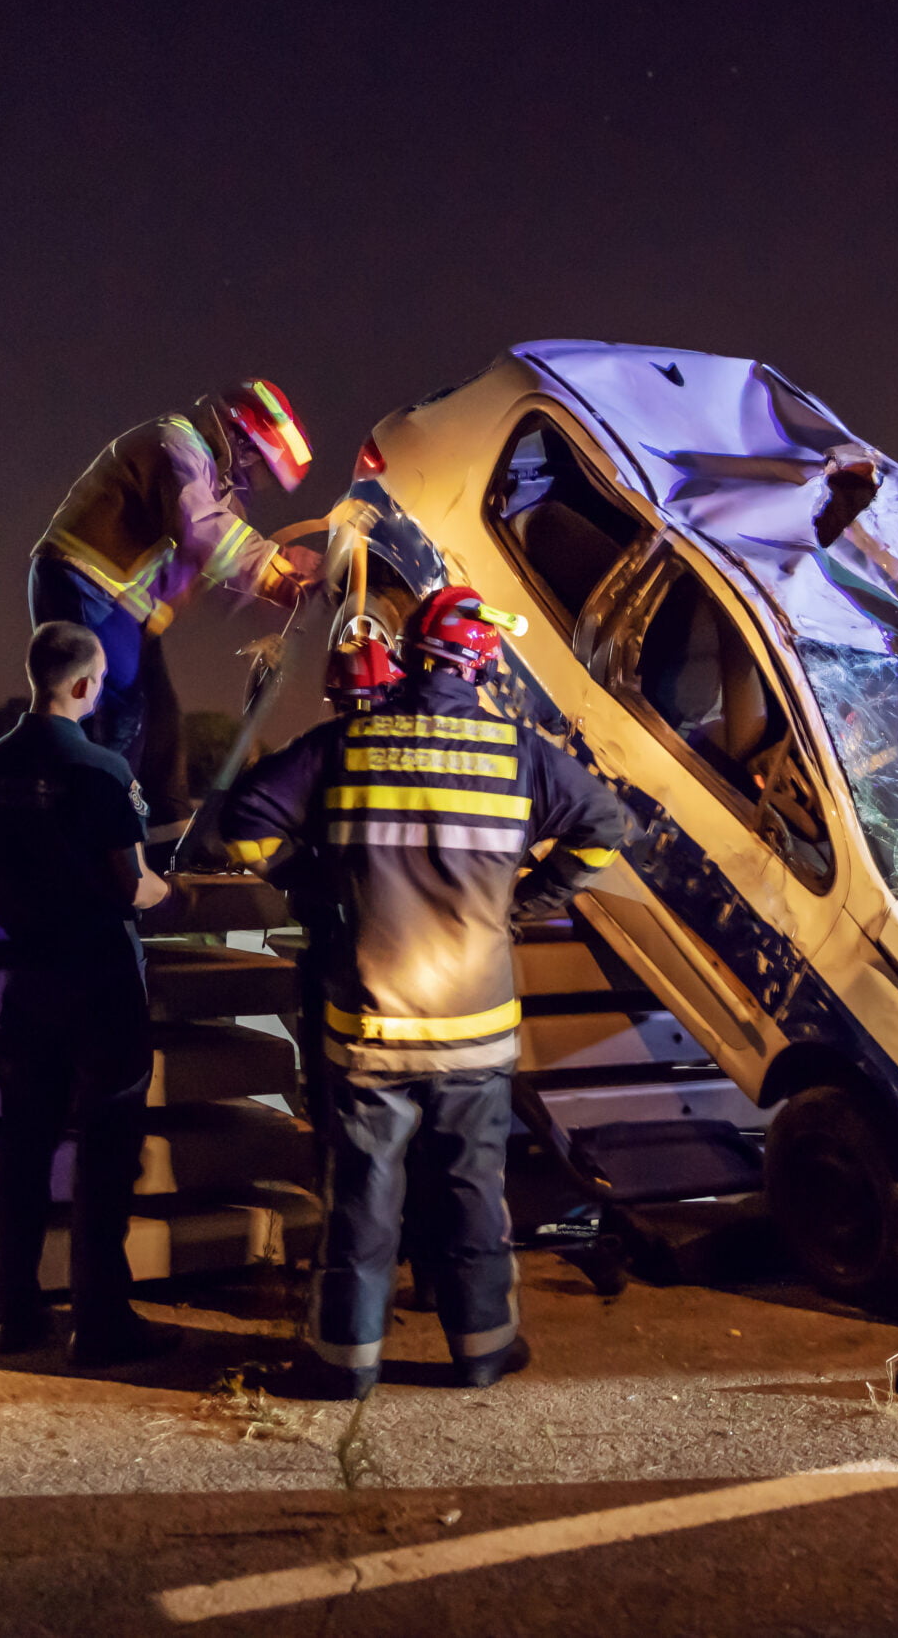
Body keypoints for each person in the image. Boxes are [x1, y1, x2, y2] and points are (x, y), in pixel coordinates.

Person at [221, 585, 630, 1397]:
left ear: (409, 657)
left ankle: (347, 1363)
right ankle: (482, 1351)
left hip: (370, 1023)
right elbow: (607, 831)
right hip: (476, 1028)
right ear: (483, 664)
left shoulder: (345, 744)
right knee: (474, 1189)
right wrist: (522, 903)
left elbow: (244, 827)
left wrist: (321, 883)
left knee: (365, 1194)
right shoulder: (520, 754)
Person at [0, 622, 181, 1365]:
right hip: (101, 984)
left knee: (22, 1148)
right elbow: (131, 881)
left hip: (28, 982)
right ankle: (100, 1320)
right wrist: (164, 888)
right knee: (105, 1150)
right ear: (86, 685)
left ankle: (14, 1314)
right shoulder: (101, 769)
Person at [30, 380, 324, 842]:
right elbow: (203, 532)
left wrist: (273, 586)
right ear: (245, 444)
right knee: (118, 710)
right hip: (85, 579)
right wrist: (277, 567)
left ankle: (168, 832)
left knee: (159, 714)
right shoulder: (178, 443)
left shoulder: (210, 477)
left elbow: (211, 564)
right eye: (265, 469)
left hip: (122, 603)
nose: (262, 482)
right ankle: (95, 838)